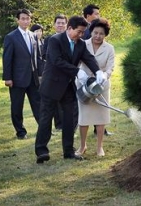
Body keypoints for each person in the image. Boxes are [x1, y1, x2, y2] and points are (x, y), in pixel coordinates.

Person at [35, 15, 104, 163]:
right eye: (79, 32)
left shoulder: (80, 44)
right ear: (69, 28)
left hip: (67, 87)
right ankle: (41, 151)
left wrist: (98, 72)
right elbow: (56, 60)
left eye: (83, 32)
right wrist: (77, 71)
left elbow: (89, 58)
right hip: (51, 86)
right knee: (46, 118)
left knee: (69, 120)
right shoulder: (55, 40)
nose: (81, 35)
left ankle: (68, 151)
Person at [76, 18, 115, 157]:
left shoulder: (109, 48)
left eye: (101, 34)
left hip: (101, 86)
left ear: (105, 35)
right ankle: (82, 146)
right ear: (91, 32)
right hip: (84, 84)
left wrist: (105, 75)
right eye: (95, 33)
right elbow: (76, 63)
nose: (98, 36)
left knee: (101, 117)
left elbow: (110, 67)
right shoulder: (82, 44)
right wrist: (80, 74)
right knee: (84, 117)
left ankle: (99, 147)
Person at [2, 9, 41, 139]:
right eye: (23, 18)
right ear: (18, 20)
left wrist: (40, 75)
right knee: (17, 106)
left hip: (33, 78)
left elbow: (37, 57)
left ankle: (43, 128)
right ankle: (20, 132)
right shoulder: (11, 37)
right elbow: (7, 59)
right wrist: (7, 78)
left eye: (27, 18)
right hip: (17, 78)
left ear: (30, 20)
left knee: (38, 104)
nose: (25, 21)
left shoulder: (34, 35)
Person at [42, 14, 69, 131]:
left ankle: (67, 124)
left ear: (67, 25)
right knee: (55, 101)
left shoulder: (70, 39)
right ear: (54, 25)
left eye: (63, 23)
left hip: (67, 74)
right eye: (58, 23)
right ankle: (58, 124)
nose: (61, 25)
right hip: (53, 74)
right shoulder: (49, 39)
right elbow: (44, 55)